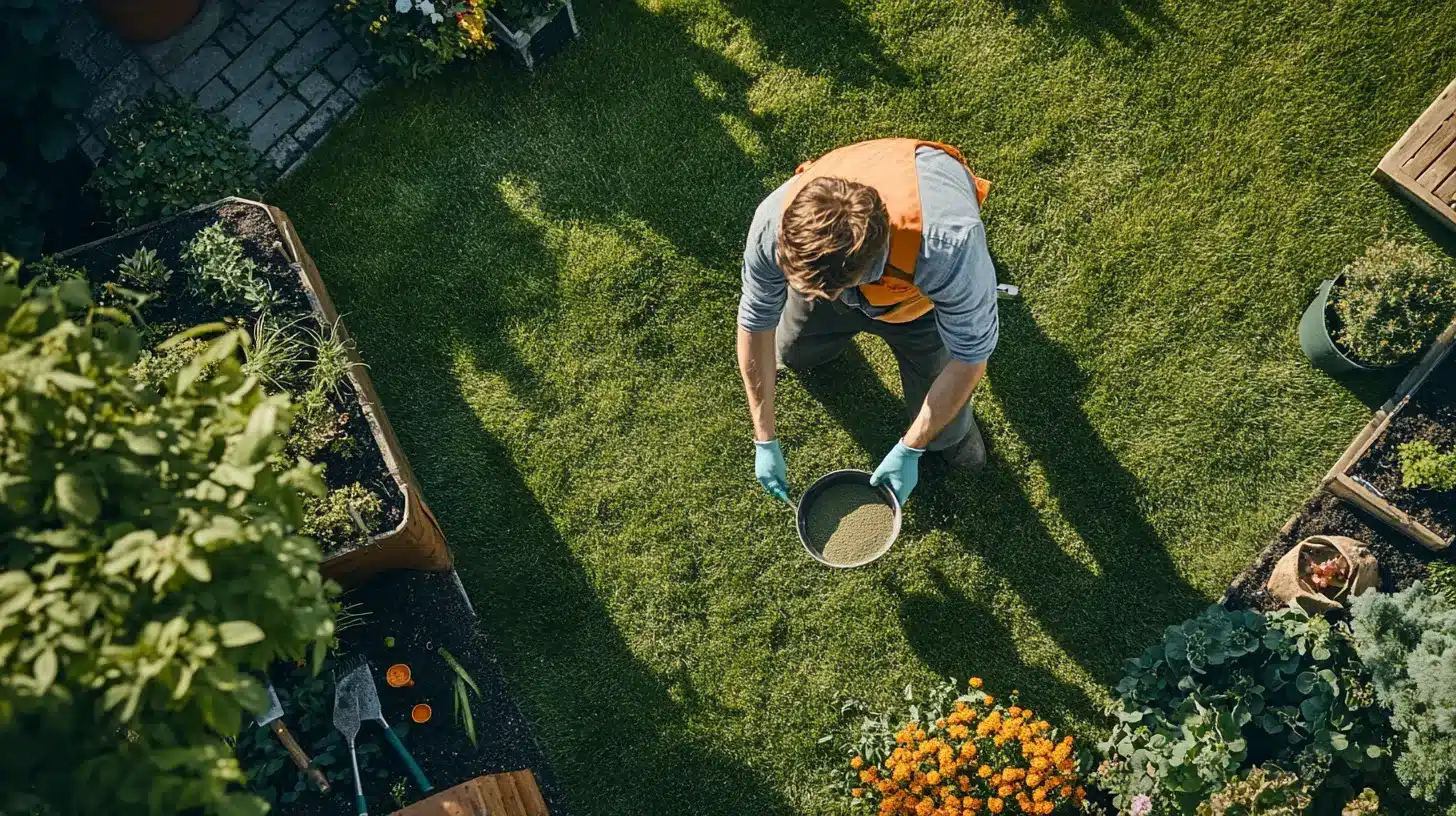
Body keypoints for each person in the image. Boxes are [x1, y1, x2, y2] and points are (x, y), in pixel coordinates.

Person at [736, 137, 1000, 505]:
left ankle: (948, 440)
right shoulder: (773, 224)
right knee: (793, 352)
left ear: (869, 266)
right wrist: (764, 438)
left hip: (916, 307)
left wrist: (911, 447)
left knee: (945, 434)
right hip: (839, 271)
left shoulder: (948, 247)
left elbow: (970, 357)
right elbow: (755, 320)